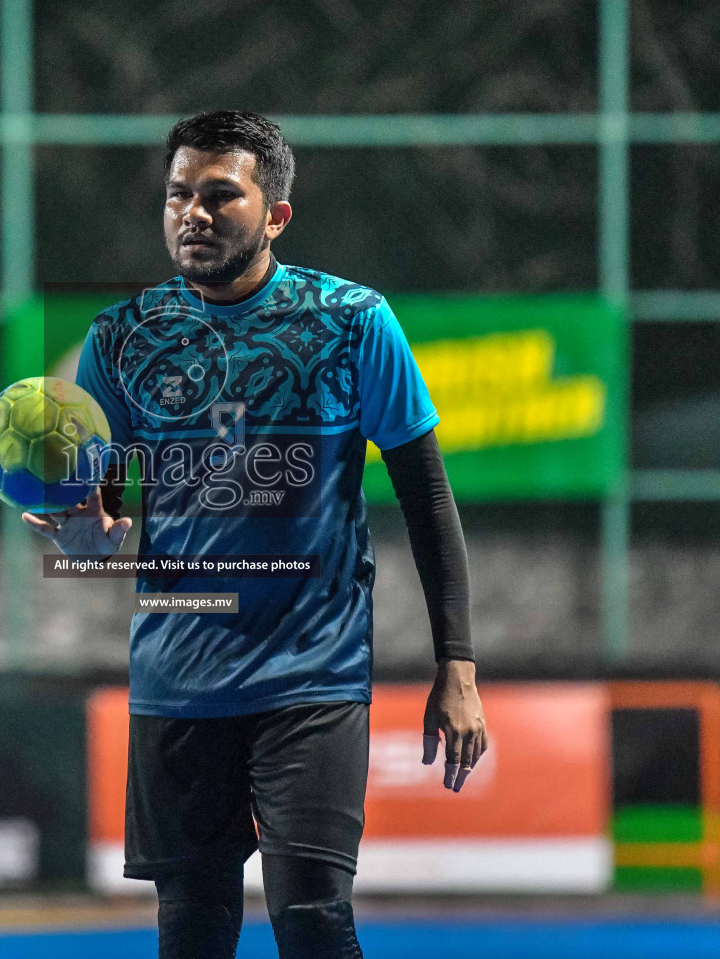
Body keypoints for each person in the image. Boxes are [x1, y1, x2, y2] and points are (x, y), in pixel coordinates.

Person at [24, 110, 485, 959]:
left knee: (313, 921)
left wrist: (456, 664)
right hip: (178, 679)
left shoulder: (353, 324)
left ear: (275, 214)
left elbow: (427, 500)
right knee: (191, 931)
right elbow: (101, 532)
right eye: (176, 195)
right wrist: (81, 538)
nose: (191, 214)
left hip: (312, 676)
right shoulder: (121, 341)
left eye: (218, 195)